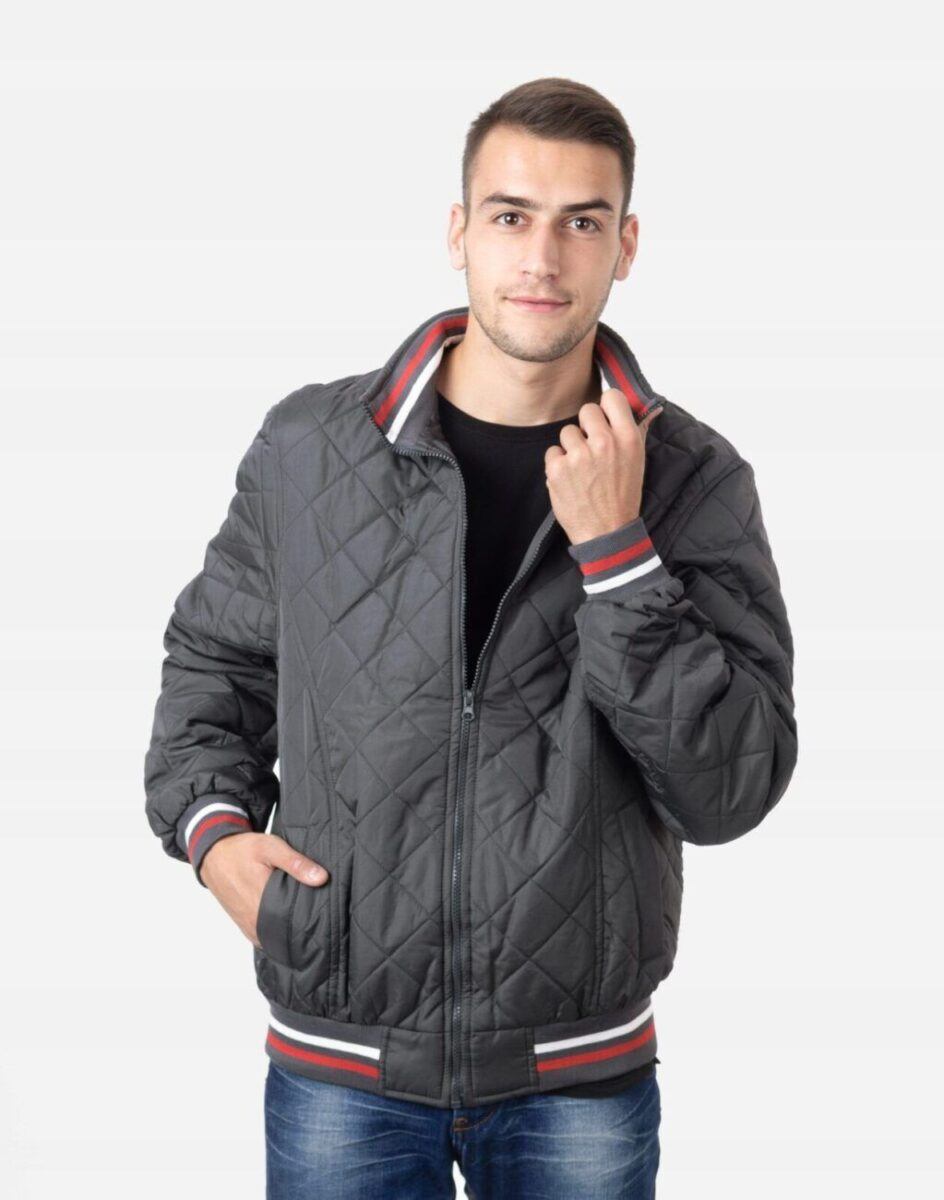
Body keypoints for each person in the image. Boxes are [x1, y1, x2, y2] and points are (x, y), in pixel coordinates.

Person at [144, 76, 797, 1198]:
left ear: (625, 245)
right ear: (458, 232)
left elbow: (729, 788)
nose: (541, 257)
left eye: (580, 221)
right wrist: (215, 839)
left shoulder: (692, 479)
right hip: (340, 1061)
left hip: (575, 1079)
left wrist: (619, 554)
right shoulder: (311, 448)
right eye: (509, 215)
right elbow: (214, 668)